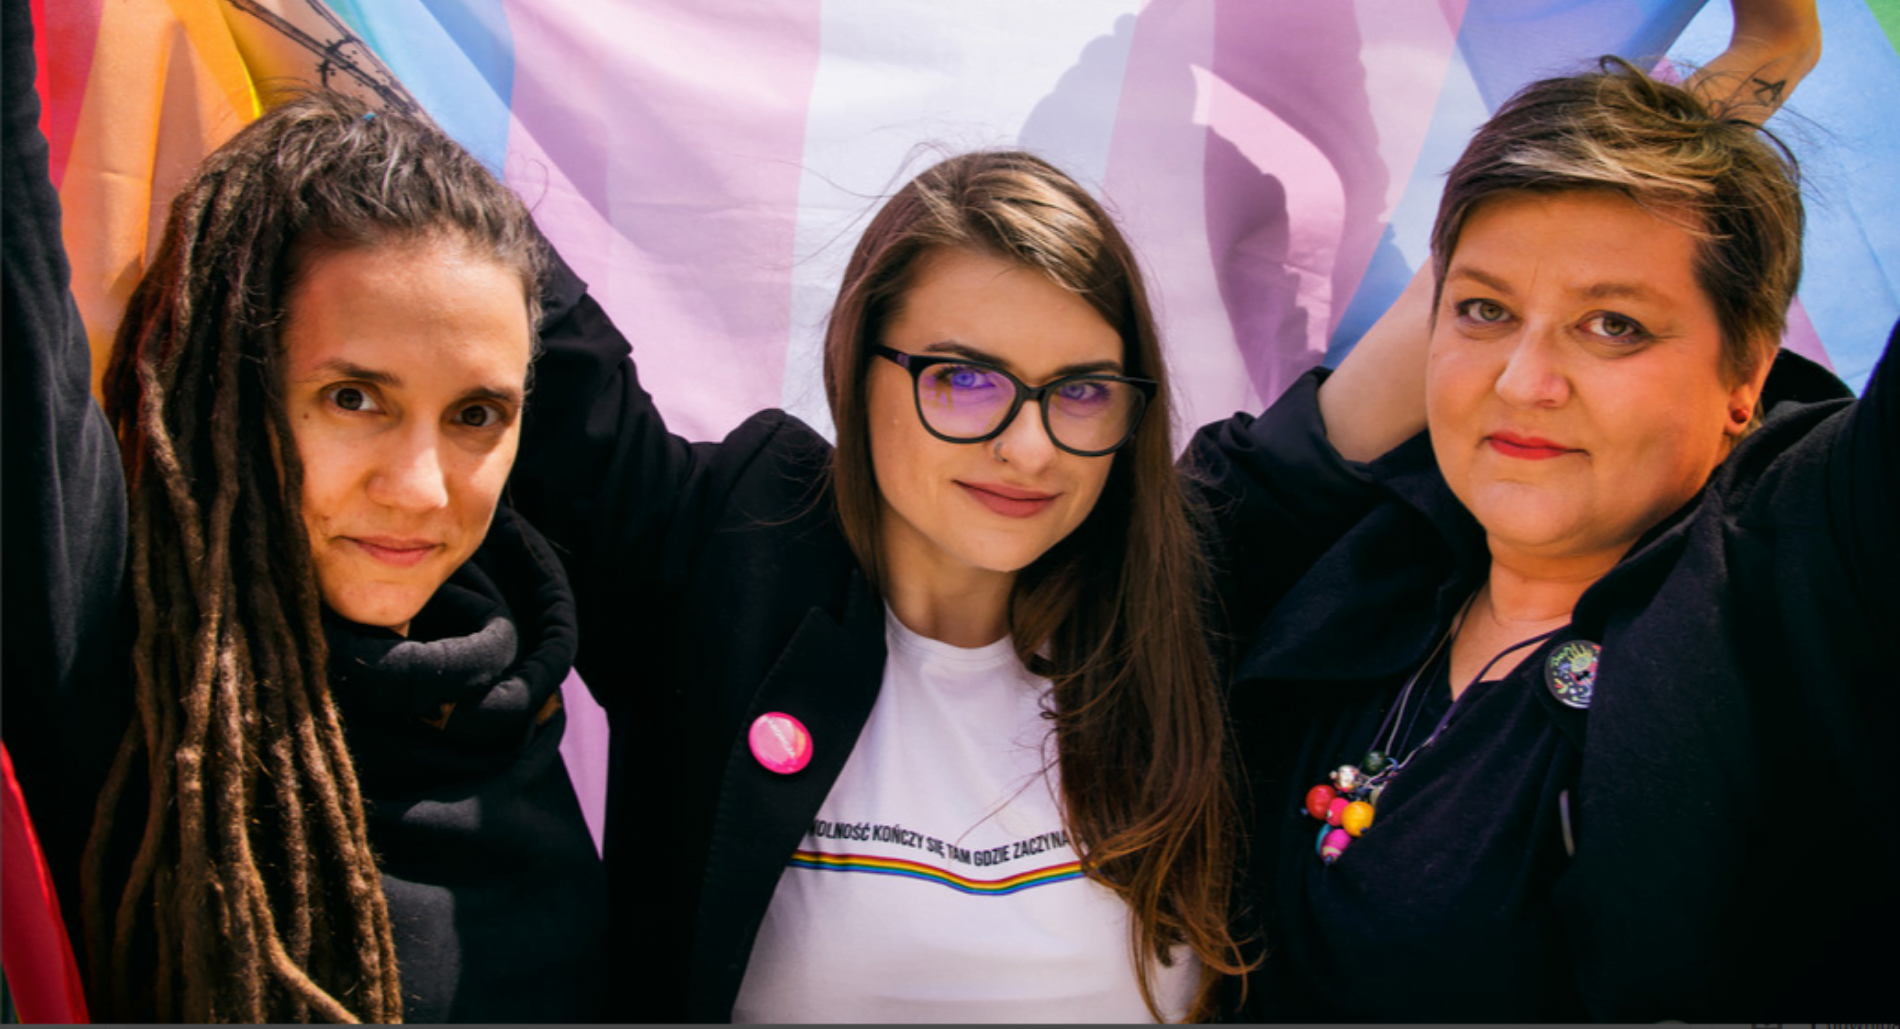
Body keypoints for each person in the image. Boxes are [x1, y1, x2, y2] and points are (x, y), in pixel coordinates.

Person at [508, 148, 1385, 1022]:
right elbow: (514, 304)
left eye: (1081, 390)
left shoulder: (1176, 591)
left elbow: (1464, 329)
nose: (1031, 449)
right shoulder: (724, 560)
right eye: (965, 379)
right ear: (856, 365)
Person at [1217, 57, 1896, 1020]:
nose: (1525, 381)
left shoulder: (1804, 567)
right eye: (1486, 312)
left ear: (1747, 374)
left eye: (1613, 325)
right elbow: (1199, 521)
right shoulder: (1356, 553)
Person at [1, 8, 606, 1018]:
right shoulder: (124, 663)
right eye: (354, 399)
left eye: (475, 415)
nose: (419, 487)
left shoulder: (514, 704)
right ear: (230, 391)